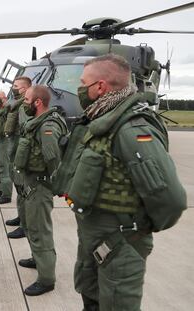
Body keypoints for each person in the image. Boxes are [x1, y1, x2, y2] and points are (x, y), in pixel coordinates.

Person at [53, 54, 186, 310]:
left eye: (83, 83)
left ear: (100, 86)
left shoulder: (131, 129)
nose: (79, 90)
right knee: (91, 297)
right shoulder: (101, 121)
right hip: (96, 240)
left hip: (120, 245)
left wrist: (135, 233)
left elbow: (172, 200)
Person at [13, 85, 67, 296]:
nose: (23, 104)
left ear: (37, 102)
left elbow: (53, 159)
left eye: (26, 100)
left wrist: (54, 187)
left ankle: (46, 279)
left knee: (40, 231)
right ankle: (38, 260)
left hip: (40, 185)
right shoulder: (37, 123)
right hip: (31, 183)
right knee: (31, 226)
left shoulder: (48, 126)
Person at [4, 76, 32, 239]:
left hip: (19, 153)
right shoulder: (17, 104)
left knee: (23, 189)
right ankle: (21, 217)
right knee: (19, 188)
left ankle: (25, 225)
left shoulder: (24, 107)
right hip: (14, 151)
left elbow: (25, 131)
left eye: (15, 86)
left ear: (25, 89)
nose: (13, 88)